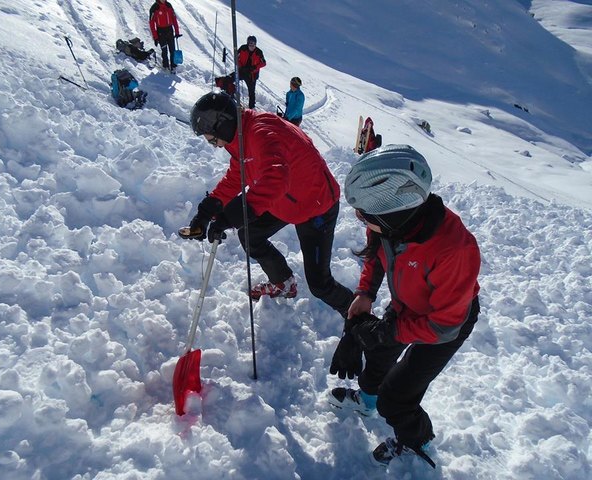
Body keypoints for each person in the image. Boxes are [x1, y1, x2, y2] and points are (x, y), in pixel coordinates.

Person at [328, 145, 481, 468]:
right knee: (377, 355)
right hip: (407, 306)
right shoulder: (395, 222)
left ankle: (417, 439)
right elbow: (377, 254)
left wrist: (389, 330)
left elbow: (444, 325)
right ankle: (366, 401)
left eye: (367, 216)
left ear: (394, 212)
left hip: (446, 322)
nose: (363, 222)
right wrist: (366, 293)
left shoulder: (454, 250)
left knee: (397, 397)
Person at [184, 92, 354, 319]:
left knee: (320, 284)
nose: (215, 146)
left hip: (315, 204)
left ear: (222, 125)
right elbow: (238, 174)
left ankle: (360, 316)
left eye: (213, 139)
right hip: (285, 199)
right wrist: (208, 211)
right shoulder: (241, 137)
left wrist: (230, 216)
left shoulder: (262, 132)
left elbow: (276, 177)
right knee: (250, 233)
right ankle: (283, 283)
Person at [149, 0, 181, 73]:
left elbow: (174, 19)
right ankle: (165, 66)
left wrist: (177, 31)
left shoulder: (169, 5)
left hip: (169, 30)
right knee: (164, 50)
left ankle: (173, 66)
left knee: (172, 50)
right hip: (161, 31)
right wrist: (155, 37)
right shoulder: (154, 8)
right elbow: (151, 23)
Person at [237, 36, 266, 109]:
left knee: (251, 91)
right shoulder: (242, 48)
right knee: (230, 78)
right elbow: (236, 57)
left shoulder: (259, 52)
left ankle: (251, 107)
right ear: (247, 43)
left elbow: (264, 63)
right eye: (250, 44)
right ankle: (231, 94)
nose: (252, 46)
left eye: (253, 44)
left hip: (252, 75)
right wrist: (240, 66)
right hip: (242, 71)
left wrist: (254, 68)